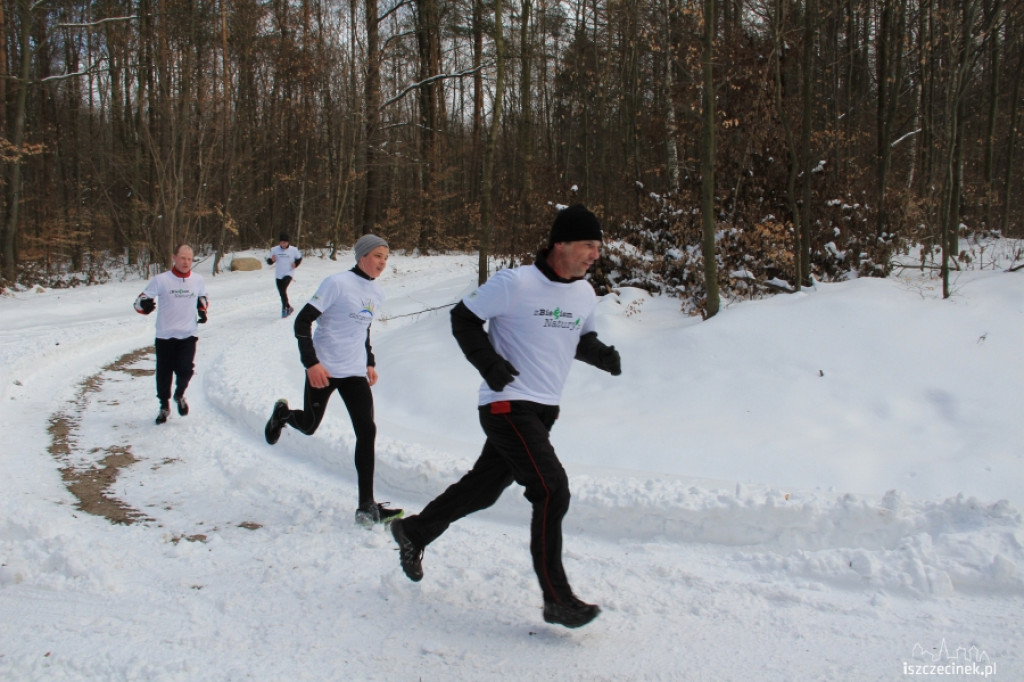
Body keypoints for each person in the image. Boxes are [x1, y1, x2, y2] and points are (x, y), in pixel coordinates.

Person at [389, 204, 621, 629]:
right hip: (506, 403)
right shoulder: (515, 283)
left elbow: (575, 336)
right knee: (551, 488)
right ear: (560, 244)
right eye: (588, 245)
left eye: (598, 247)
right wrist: (489, 363)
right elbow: (463, 318)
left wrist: (601, 354)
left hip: (544, 409)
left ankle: (414, 532)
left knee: (483, 490)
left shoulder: (584, 293)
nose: (595, 254)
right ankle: (557, 599)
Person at [263, 234, 402, 528]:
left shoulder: (377, 294)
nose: (382, 263)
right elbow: (302, 322)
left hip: (353, 372)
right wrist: (311, 363)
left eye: (386, 258)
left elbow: (362, 330)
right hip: (323, 369)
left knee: (367, 431)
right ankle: (283, 415)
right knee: (310, 426)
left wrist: (370, 362)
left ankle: (366, 505)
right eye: (378, 256)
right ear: (362, 255)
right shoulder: (336, 283)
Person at [133, 243, 209, 425]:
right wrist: (144, 306)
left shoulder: (197, 280)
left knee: (186, 369)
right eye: (182, 258)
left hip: (188, 334)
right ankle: (164, 405)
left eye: (189, 259)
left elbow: (203, 297)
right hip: (165, 335)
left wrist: (202, 309)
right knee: (164, 373)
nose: (186, 262)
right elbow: (138, 301)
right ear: (174, 258)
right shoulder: (161, 280)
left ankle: (179, 394)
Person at [267, 232, 303, 317]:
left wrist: (296, 264)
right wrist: (272, 260)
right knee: (281, 293)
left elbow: (299, 258)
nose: (283, 244)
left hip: (288, 273)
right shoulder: (275, 249)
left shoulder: (293, 250)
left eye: (285, 242)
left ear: (288, 242)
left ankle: (284, 309)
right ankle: (289, 307)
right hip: (278, 274)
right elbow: (269, 262)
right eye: (281, 242)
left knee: (283, 290)